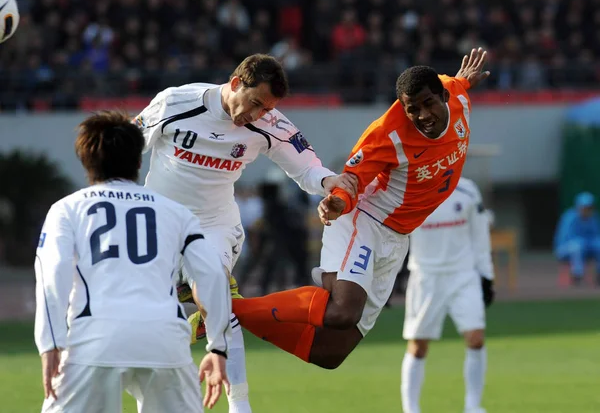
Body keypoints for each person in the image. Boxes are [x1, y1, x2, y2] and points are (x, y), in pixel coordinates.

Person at [230, 48, 491, 370]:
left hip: (398, 238)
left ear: (444, 96)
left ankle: (231, 314)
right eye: (412, 110)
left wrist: (465, 80)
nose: (423, 115)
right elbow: (352, 177)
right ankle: (226, 310)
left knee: (328, 354)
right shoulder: (387, 134)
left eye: (428, 104)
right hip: (364, 221)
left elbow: (457, 83)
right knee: (342, 311)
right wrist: (338, 201)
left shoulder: (459, 95)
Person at [132, 53, 357, 412]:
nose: (257, 115)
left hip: (213, 226)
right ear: (236, 83)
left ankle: (240, 404)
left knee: (217, 295)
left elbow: (306, 168)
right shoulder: (176, 101)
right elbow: (129, 145)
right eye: (254, 103)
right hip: (158, 224)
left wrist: (329, 180)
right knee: (142, 327)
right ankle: (188, 333)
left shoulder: (271, 123)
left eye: (266, 109)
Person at [34, 111, 232, 412]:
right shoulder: (176, 211)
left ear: (86, 161)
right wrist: (218, 345)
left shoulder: (66, 210)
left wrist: (50, 342)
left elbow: (53, 274)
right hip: (165, 341)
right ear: (139, 161)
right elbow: (213, 275)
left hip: (94, 341)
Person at [401, 177, 495, 413]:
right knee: (418, 345)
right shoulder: (409, 190)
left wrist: (487, 275)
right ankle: (411, 409)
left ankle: (473, 406)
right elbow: (395, 234)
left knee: (476, 338)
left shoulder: (467, 189)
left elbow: (480, 234)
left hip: (464, 274)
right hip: (425, 275)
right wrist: (390, 274)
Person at [554, 191, 600, 285]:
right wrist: (585, 242)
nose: (587, 209)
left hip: (586, 247)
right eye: (585, 207)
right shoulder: (569, 217)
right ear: (578, 206)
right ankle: (577, 276)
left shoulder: (593, 217)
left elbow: (596, 236)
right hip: (564, 249)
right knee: (577, 245)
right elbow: (566, 239)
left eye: (589, 207)